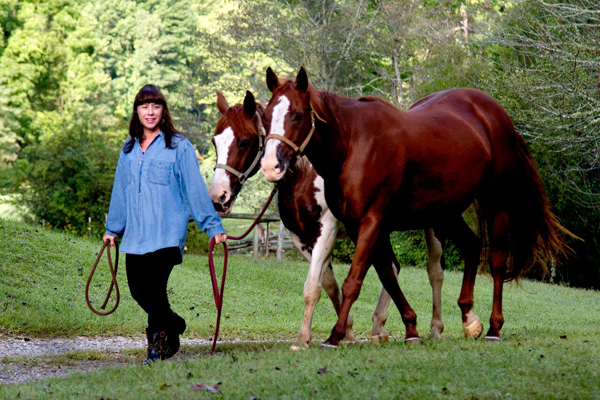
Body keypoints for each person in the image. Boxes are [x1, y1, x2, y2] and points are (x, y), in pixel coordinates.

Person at [103, 84, 227, 363]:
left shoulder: (179, 145)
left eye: (155, 106)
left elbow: (194, 189)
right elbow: (120, 191)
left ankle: (156, 347)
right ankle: (173, 324)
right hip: (135, 235)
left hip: (167, 234)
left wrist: (213, 226)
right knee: (137, 290)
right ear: (136, 111)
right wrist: (113, 229)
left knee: (155, 289)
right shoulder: (128, 149)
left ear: (163, 110)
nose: (150, 112)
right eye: (144, 106)